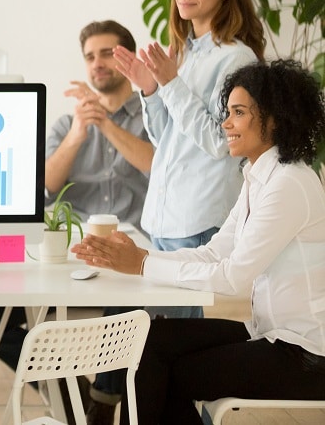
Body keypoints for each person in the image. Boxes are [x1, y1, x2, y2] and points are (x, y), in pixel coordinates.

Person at [71, 59, 325, 425]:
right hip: (269, 334)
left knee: (173, 372)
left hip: (305, 355)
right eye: (228, 112)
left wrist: (142, 265)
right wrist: (142, 256)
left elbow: (232, 276)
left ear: (273, 118)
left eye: (238, 113)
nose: (226, 123)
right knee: (149, 341)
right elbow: (215, 251)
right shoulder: (259, 175)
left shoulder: (289, 183)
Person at [0, 19, 153, 424]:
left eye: (106, 54)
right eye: (89, 57)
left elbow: (158, 167)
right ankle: (70, 391)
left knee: (132, 305)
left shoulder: (152, 114)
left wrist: (107, 124)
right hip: (71, 255)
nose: (97, 63)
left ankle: (103, 399)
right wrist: (79, 134)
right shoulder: (68, 125)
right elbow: (43, 186)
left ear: (127, 59)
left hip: (129, 256)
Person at [113, 0, 265, 318]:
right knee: (156, 338)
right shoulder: (180, 53)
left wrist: (171, 83)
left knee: (180, 342)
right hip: (164, 217)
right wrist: (151, 88)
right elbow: (167, 138)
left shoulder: (236, 58)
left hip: (199, 221)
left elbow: (221, 141)